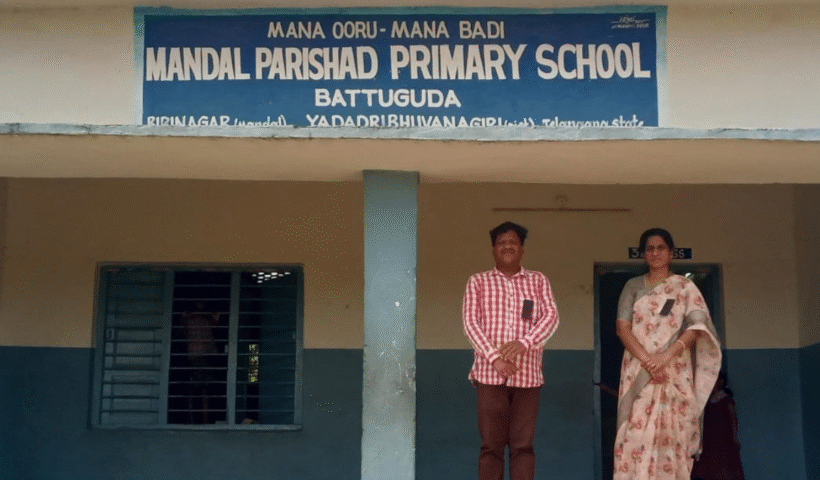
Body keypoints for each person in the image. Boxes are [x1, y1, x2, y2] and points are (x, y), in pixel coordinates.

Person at [614, 228, 722, 480]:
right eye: (650, 249)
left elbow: (697, 327)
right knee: (634, 435)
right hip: (638, 370)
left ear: (671, 253)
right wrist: (649, 362)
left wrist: (665, 358)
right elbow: (622, 328)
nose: (655, 253)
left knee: (674, 435)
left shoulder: (685, 287)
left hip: (675, 371)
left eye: (661, 247)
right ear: (643, 254)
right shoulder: (632, 286)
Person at [463, 221, 560, 480]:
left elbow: (551, 317)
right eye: (501, 243)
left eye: (513, 242)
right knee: (491, 447)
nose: (507, 247)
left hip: (527, 377)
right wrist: (496, 359)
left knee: (523, 447)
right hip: (489, 375)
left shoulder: (538, 281)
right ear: (493, 249)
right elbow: (471, 324)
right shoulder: (478, 282)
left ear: (522, 249)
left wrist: (523, 343)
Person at [691, 372, 745, 480]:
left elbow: (733, 420)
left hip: (723, 440)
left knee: (724, 468)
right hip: (709, 439)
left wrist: (735, 438)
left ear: (721, 382)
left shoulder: (725, 399)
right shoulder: (707, 399)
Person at [181, 301, 221, 424]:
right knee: (197, 389)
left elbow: (215, 327)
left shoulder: (205, 320)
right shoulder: (189, 319)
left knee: (203, 389)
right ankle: (194, 420)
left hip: (205, 357)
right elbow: (182, 331)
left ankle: (203, 419)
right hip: (197, 357)